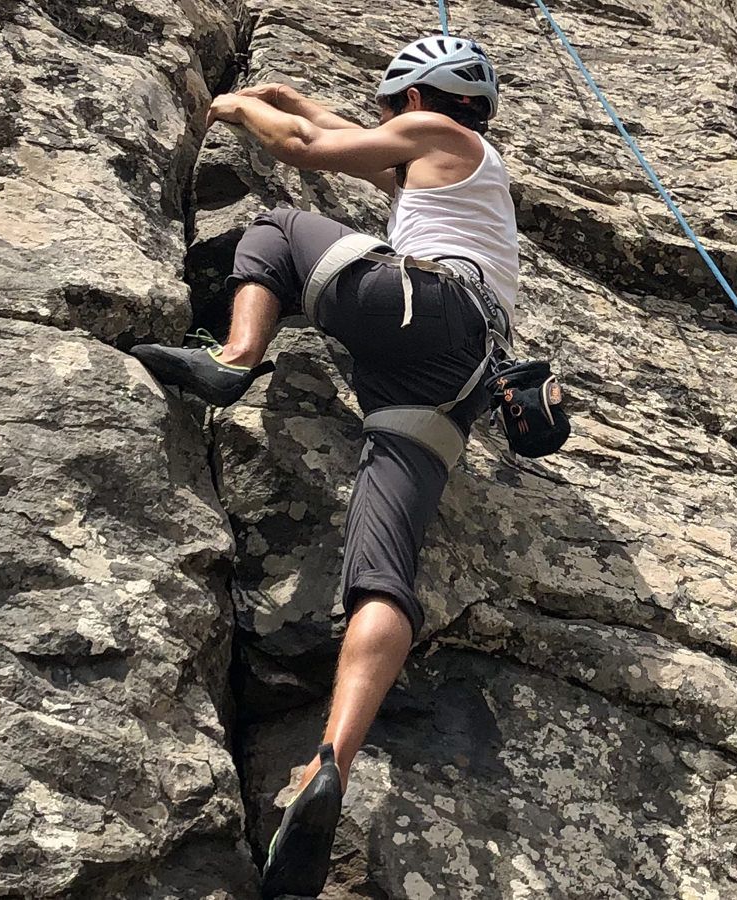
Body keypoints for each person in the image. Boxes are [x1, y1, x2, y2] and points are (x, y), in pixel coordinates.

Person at [127, 35, 518, 898]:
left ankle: (234, 358)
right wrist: (302, 101)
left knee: (276, 225)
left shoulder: (446, 142)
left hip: (433, 313)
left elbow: (307, 155)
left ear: (415, 102)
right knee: (384, 577)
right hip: (456, 386)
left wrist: (239, 109)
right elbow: (350, 145)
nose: (381, 124)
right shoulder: (457, 170)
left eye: (388, 110)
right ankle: (327, 765)